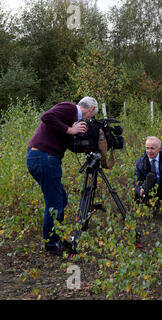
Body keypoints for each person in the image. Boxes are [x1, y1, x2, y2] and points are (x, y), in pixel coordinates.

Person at [26, 97, 98, 255]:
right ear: (91, 109)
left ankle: (56, 237)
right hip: (44, 157)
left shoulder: (71, 120)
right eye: (90, 117)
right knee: (54, 202)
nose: (88, 120)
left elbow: (68, 142)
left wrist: (79, 137)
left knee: (61, 200)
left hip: (43, 158)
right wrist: (70, 130)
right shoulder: (70, 108)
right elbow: (46, 116)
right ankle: (52, 245)